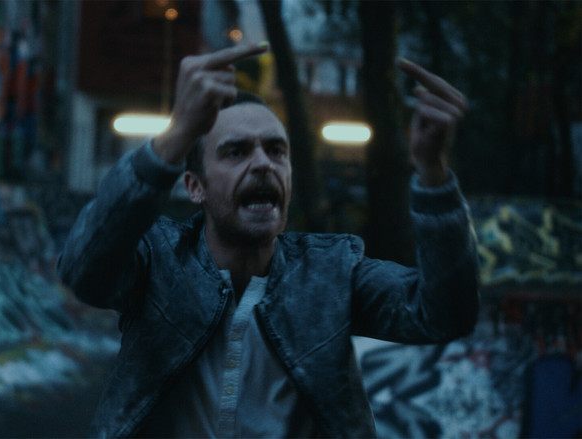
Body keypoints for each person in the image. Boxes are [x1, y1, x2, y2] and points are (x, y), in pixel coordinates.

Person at [58, 42, 480, 438]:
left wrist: (432, 171)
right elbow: (83, 268)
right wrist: (176, 134)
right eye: (236, 151)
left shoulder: (331, 274)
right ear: (195, 186)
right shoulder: (159, 260)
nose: (263, 164)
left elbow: (443, 314)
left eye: (276, 151)